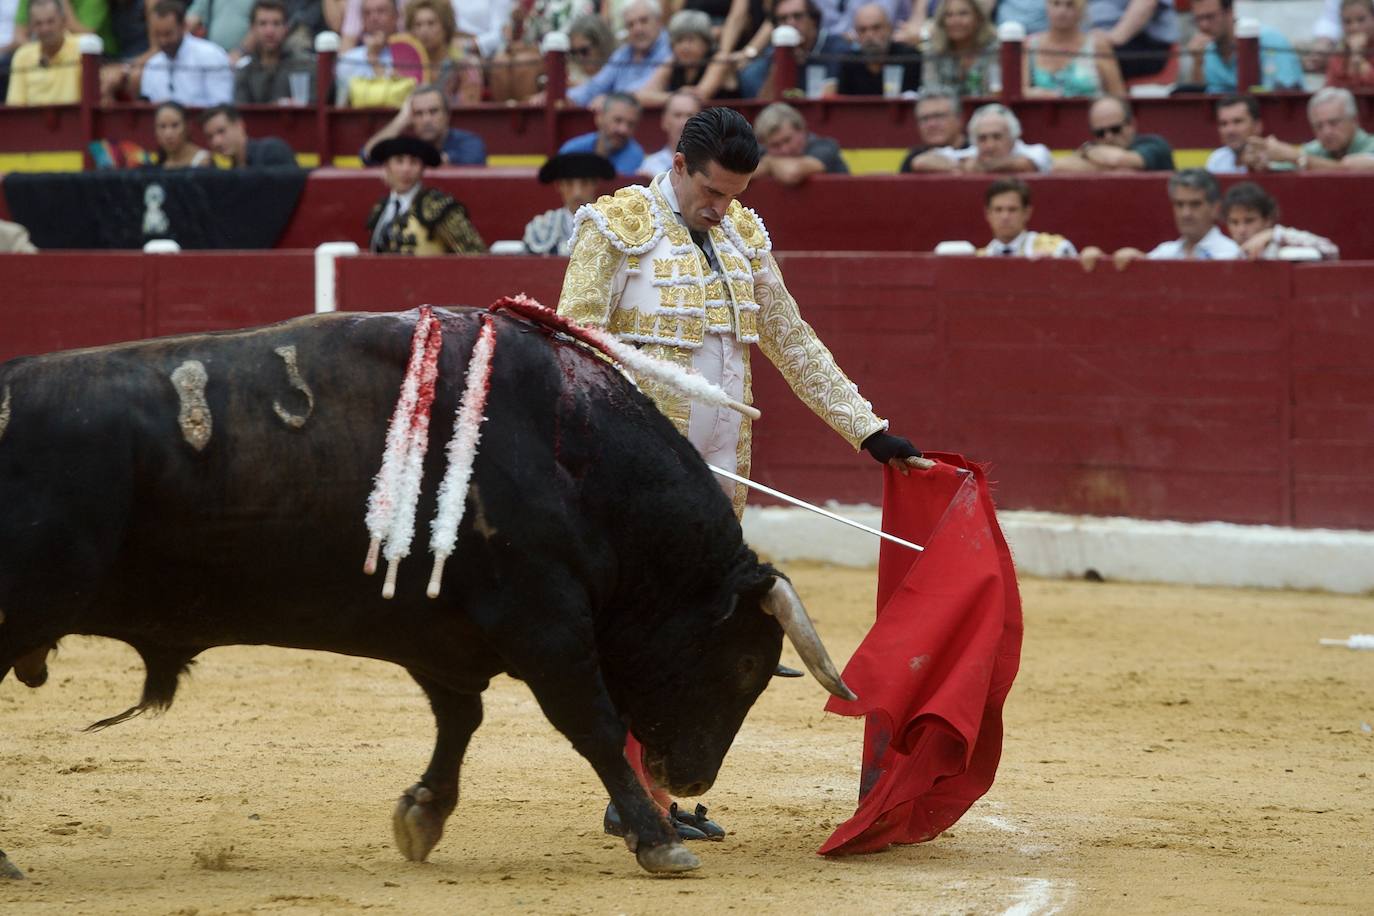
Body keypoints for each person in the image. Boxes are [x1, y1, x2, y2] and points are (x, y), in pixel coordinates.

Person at [556, 106, 925, 840]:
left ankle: (653, 787)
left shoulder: (745, 234)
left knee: (692, 632)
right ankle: (638, 796)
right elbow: (571, 344)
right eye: (714, 192)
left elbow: (791, 340)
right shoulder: (616, 226)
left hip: (723, 472)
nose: (723, 208)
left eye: (735, 194)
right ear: (682, 166)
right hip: (642, 470)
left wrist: (869, 430)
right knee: (645, 630)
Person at [1081, 169, 1241, 269]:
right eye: (1179, 204)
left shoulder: (1231, 254)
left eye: (1195, 204)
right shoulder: (1165, 252)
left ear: (1215, 208)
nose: (1186, 213)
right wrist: (1103, 260)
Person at [366, 135, 486, 255]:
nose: (406, 169)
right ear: (386, 167)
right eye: (399, 161)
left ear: (422, 169)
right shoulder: (381, 208)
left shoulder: (438, 207)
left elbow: (475, 254)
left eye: (414, 162)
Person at [566, 0, 671, 107]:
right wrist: (566, 98)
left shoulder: (671, 48)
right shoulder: (624, 53)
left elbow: (645, 93)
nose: (637, 29)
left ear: (659, 21)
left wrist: (609, 101)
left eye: (643, 21)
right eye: (630, 25)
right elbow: (595, 87)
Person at [488, 0, 596, 102]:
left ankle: (525, 115)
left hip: (568, 55)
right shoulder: (540, 3)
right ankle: (507, 114)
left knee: (524, 63)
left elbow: (577, 39)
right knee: (500, 61)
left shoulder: (581, 3)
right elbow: (529, 36)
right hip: (537, 52)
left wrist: (537, 49)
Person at [1245, 87, 1374, 171]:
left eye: (1334, 123)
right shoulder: (1315, 149)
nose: (1326, 132)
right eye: (1319, 126)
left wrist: (1296, 157)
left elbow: (1348, 170)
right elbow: (1281, 166)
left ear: (1355, 121)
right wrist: (1261, 161)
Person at [1186, 0, 1302, 94]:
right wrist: (1197, 63)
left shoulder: (1270, 41)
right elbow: (1206, 100)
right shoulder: (1207, 51)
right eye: (1198, 19)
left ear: (1230, 12)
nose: (1204, 25)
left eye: (1210, 17)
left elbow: (1286, 93)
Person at [362, 83, 487, 167]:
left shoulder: (470, 142)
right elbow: (367, 156)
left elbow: (473, 160)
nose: (426, 119)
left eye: (433, 111)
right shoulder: (405, 143)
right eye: (418, 113)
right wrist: (400, 120)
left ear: (447, 115)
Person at [907, 102, 1051, 173]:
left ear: (1012, 137)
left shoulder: (1036, 151)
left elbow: (1025, 165)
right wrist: (960, 165)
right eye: (982, 138)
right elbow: (920, 162)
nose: (990, 145)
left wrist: (979, 166)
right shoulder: (971, 154)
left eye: (997, 137)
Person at [139, 0, 234, 106]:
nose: (163, 41)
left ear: (183, 26)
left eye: (168, 34)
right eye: (158, 35)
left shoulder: (211, 56)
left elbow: (222, 108)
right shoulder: (152, 66)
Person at [1022, 0, 1124, 98]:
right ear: (1047, 6)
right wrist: (1035, 94)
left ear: (1081, 10)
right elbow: (1018, 92)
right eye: (1056, 3)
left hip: (1088, 113)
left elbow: (1118, 96)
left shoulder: (1098, 46)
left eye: (1070, 4)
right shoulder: (1030, 45)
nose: (1062, 11)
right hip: (1040, 113)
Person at [636, 8, 739, 102]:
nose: (684, 47)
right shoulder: (673, 61)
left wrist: (668, 97)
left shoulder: (720, 59)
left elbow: (699, 97)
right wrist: (674, 96)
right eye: (679, 41)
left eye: (691, 40)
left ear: (706, 43)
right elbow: (641, 96)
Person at [523, 151, 615, 255]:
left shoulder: (612, 224)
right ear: (559, 186)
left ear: (595, 184)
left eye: (585, 183)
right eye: (569, 184)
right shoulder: (540, 227)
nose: (577, 193)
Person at [1052, 94, 1175, 172]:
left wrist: (1087, 152)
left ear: (1131, 125)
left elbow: (1119, 160)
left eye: (1115, 129)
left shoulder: (1155, 145)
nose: (1108, 137)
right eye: (1100, 132)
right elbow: (1058, 167)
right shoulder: (1092, 149)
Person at [1222, 181, 1340, 260]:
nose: (1241, 230)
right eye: (1234, 222)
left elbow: (1332, 251)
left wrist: (1274, 234)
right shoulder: (1228, 255)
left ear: (1267, 220)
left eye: (1249, 221)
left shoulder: (1283, 244)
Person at [758, 0, 851, 97]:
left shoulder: (837, 48)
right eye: (783, 19)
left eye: (797, 16)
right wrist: (782, 61)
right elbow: (763, 105)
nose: (790, 23)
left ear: (813, 20)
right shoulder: (775, 53)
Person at [234, 0, 314, 103]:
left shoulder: (306, 66)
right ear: (252, 29)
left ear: (286, 28)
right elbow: (241, 114)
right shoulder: (244, 73)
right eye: (263, 24)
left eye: (276, 24)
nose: (270, 31)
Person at [752, 100, 849, 184]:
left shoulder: (824, 147)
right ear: (764, 144)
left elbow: (792, 173)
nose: (785, 149)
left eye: (787, 140)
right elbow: (741, 173)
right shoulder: (761, 150)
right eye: (775, 145)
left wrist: (769, 162)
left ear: (802, 130)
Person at [978, 178, 1077, 258]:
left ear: (1027, 213)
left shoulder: (1055, 248)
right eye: (998, 210)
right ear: (988, 214)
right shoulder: (981, 257)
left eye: (1012, 209)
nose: (1005, 216)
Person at [837, 2, 921, 96]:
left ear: (889, 29)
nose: (869, 35)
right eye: (862, 30)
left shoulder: (909, 58)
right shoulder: (849, 63)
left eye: (876, 28)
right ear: (856, 33)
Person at [5, 0, 79, 105]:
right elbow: (15, 107)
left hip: (73, 121)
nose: (45, 29)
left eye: (51, 21)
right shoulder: (22, 56)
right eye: (38, 23)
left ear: (63, 21)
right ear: (31, 27)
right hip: (32, 121)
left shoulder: (81, 50)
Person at [921, 0, 999, 96]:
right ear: (942, 20)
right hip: (944, 109)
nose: (955, 21)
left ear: (978, 17)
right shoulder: (933, 50)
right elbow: (931, 91)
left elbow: (994, 91)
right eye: (949, 15)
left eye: (963, 14)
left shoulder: (994, 48)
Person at [557, 92, 646, 174]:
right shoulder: (572, 150)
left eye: (631, 124)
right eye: (617, 120)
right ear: (600, 118)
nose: (623, 130)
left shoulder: (635, 157)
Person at [1088, 0, 1177, 80]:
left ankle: (1117, 97)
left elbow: (1147, 3)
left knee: (1091, 59)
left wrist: (1110, 40)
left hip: (1140, 41)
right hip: (1093, 39)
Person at [200, 103, 297, 166]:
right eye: (210, 137)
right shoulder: (230, 171)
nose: (216, 142)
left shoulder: (271, 150)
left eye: (221, 131)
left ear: (240, 126)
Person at [898, 86, 967, 172]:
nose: (931, 124)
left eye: (939, 116)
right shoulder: (912, 159)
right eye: (925, 118)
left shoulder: (981, 149)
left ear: (959, 119)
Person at [638, 88, 702, 175]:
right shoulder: (649, 167)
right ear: (665, 121)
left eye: (690, 115)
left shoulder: (710, 164)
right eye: (677, 115)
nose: (684, 122)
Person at [1205, 94, 1268, 174]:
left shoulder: (1275, 160)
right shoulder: (1216, 159)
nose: (1230, 130)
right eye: (1223, 124)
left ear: (1257, 126)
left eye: (1238, 121)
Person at [1326, 0, 1374, 89]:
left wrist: (1359, 60)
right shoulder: (1339, 55)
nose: (1354, 27)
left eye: (1361, 19)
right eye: (1347, 22)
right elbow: (1331, 89)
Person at [152, 100, 212, 168]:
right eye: (162, 126)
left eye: (175, 125)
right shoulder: (154, 163)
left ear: (187, 127)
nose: (168, 134)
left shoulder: (203, 160)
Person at [186, 0, 253, 55]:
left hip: (246, 57)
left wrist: (239, 52)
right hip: (213, 55)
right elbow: (194, 16)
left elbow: (259, 25)